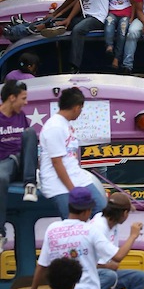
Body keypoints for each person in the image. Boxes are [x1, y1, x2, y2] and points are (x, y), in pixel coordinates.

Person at [37, 87, 107, 218]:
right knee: (74, 223)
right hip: (58, 184)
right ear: (76, 107)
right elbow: (57, 163)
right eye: (81, 108)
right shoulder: (55, 127)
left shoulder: (66, 124)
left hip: (78, 177)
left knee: (101, 208)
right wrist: (73, 191)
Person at [0, 79, 38, 251]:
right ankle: (0, 233)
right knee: (1, 177)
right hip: (5, 165)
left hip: (23, 164)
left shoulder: (21, 116)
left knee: (30, 133)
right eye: (23, 98)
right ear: (12, 98)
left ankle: (30, 184)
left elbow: (30, 147)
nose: (26, 102)